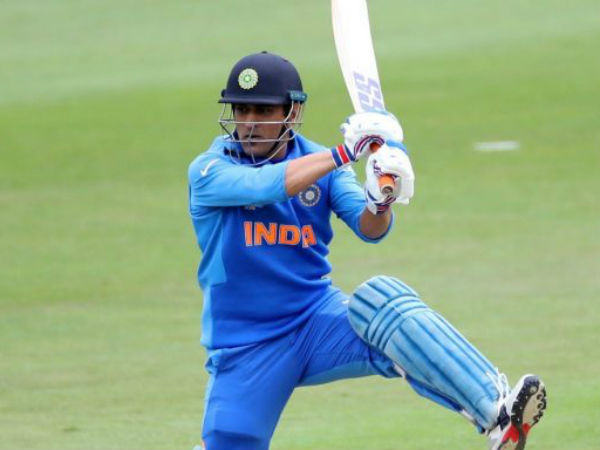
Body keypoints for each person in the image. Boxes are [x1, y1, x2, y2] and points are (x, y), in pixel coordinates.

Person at [187, 51, 546, 450]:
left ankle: (498, 413)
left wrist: (380, 198)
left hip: (314, 321)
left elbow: (370, 229)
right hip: (247, 344)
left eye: (263, 111)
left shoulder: (323, 166)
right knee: (230, 442)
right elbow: (266, 186)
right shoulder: (209, 170)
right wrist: (345, 152)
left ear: (291, 112)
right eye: (242, 110)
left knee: (384, 303)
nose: (250, 123)